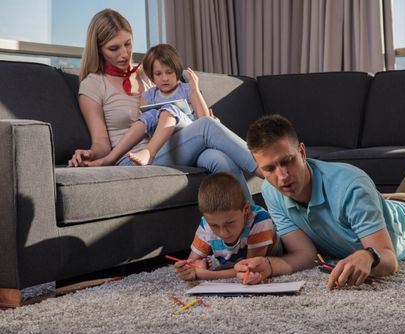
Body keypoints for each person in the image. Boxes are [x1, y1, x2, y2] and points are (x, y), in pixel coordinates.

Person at [235, 113, 405, 290]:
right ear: (259, 168)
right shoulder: (271, 190)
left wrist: (368, 256)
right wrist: (270, 265)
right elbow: (305, 254)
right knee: (379, 201)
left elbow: (388, 258)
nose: (282, 176)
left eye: (287, 161)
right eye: (269, 168)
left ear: (301, 152)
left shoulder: (351, 186)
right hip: (383, 206)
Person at [67, 8, 262, 200]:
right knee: (208, 126)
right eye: (114, 48)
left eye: (128, 44)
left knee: (221, 160)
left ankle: (251, 223)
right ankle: (269, 169)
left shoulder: (149, 75)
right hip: (132, 158)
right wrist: (91, 153)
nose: (124, 54)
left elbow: (174, 114)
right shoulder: (92, 84)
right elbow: (101, 142)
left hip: (169, 146)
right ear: (99, 49)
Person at [89, 43, 210, 166]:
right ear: (151, 76)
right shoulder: (149, 95)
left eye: (169, 72)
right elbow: (143, 127)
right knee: (149, 115)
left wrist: (195, 90)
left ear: (177, 71)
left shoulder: (187, 89)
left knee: (168, 109)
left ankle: (149, 152)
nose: (164, 78)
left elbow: (206, 121)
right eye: (158, 74)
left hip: (188, 135)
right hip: (166, 146)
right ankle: (112, 157)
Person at [174, 172, 282, 281]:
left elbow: (250, 268)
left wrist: (204, 274)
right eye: (214, 225)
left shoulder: (260, 220)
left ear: (246, 209)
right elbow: (191, 262)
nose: (223, 233)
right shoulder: (206, 225)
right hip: (234, 261)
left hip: (270, 255)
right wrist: (188, 269)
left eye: (230, 223)